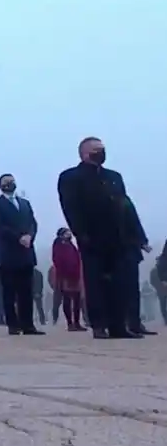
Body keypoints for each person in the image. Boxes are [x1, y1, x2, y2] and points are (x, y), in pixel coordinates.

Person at [58, 137, 141, 339]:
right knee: (95, 282)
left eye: (102, 149)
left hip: (118, 237)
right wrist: (81, 233)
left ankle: (118, 325)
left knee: (119, 282)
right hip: (92, 237)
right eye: (96, 150)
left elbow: (125, 205)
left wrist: (135, 235)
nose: (101, 152)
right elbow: (70, 207)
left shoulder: (114, 177)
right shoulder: (71, 177)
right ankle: (99, 324)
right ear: (84, 153)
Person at [0, 173, 42, 336]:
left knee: (27, 290)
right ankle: (12, 324)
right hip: (8, 252)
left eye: (12, 181)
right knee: (9, 291)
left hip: (26, 252)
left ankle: (28, 325)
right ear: (0, 186)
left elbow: (33, 222)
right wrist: (18, 237)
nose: (10, 184)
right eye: (6, 182)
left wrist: (29, 236)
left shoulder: (24, 203)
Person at [121, 197, 155, 335]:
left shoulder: (123, 201)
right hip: (112, 251)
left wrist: (142, 241)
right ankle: (119, 323)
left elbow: (134, 222)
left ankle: (134, 323)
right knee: (118, 290)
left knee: (132, 290)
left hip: (128, 250)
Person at [50, 228, 85, 331]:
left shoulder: (71, 245)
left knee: (77, 300)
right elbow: (57, 259)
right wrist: (64, 271)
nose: (69, 234)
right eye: (66, 232)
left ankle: (77, 323)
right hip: (65, 276)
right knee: (67, 300)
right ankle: (70, 323)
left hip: (75, 276)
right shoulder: (58, 244)